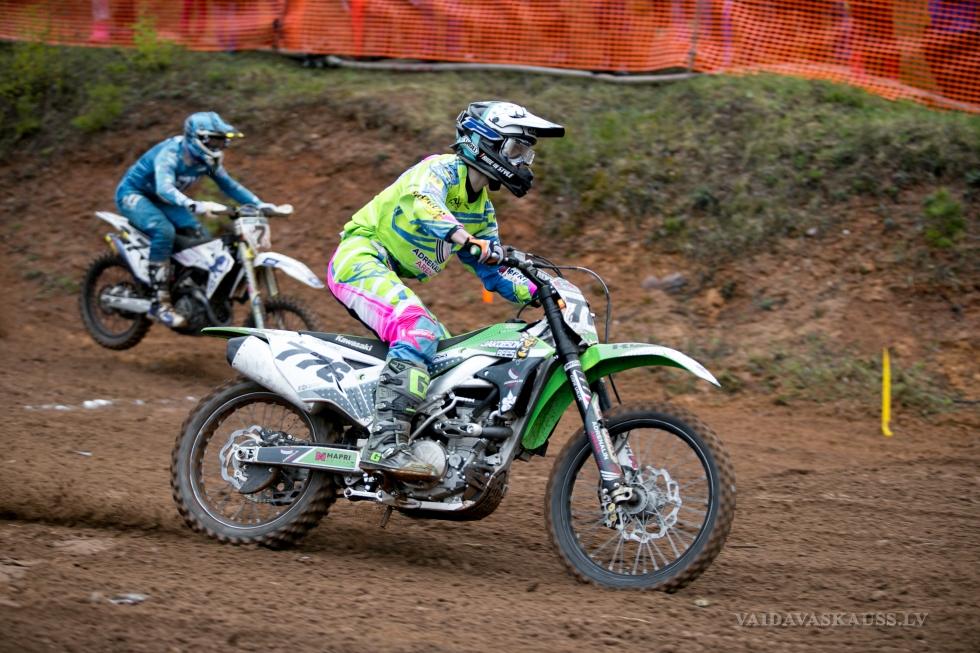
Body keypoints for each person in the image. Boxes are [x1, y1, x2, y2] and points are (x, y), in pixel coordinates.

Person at [327, 101, 564, 480]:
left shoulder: (481, 210)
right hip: (360, 257)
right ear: (484, 142)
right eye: (516, 149)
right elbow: (424, 203)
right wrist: (463, 237)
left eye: (527, 154)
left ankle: (428, 448)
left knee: (449, 356)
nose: (523, 162)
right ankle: (384, 443)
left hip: (386, 271)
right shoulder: (439, 170)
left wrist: (542, 291)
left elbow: (496, 272)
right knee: (418, 330)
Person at [115, 111, 279, 328]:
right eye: (213, 140)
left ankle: (186, 289)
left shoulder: (207, 161)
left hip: (167, 202)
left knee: (199, 237)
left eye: (221, 141)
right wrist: (196, 205)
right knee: (164, 231)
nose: (218, 146)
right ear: (196, 137)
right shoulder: (171, 153)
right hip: (135, 195)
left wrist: (260, 204)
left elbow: (230, 186)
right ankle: (159, 301)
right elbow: (164, 189)